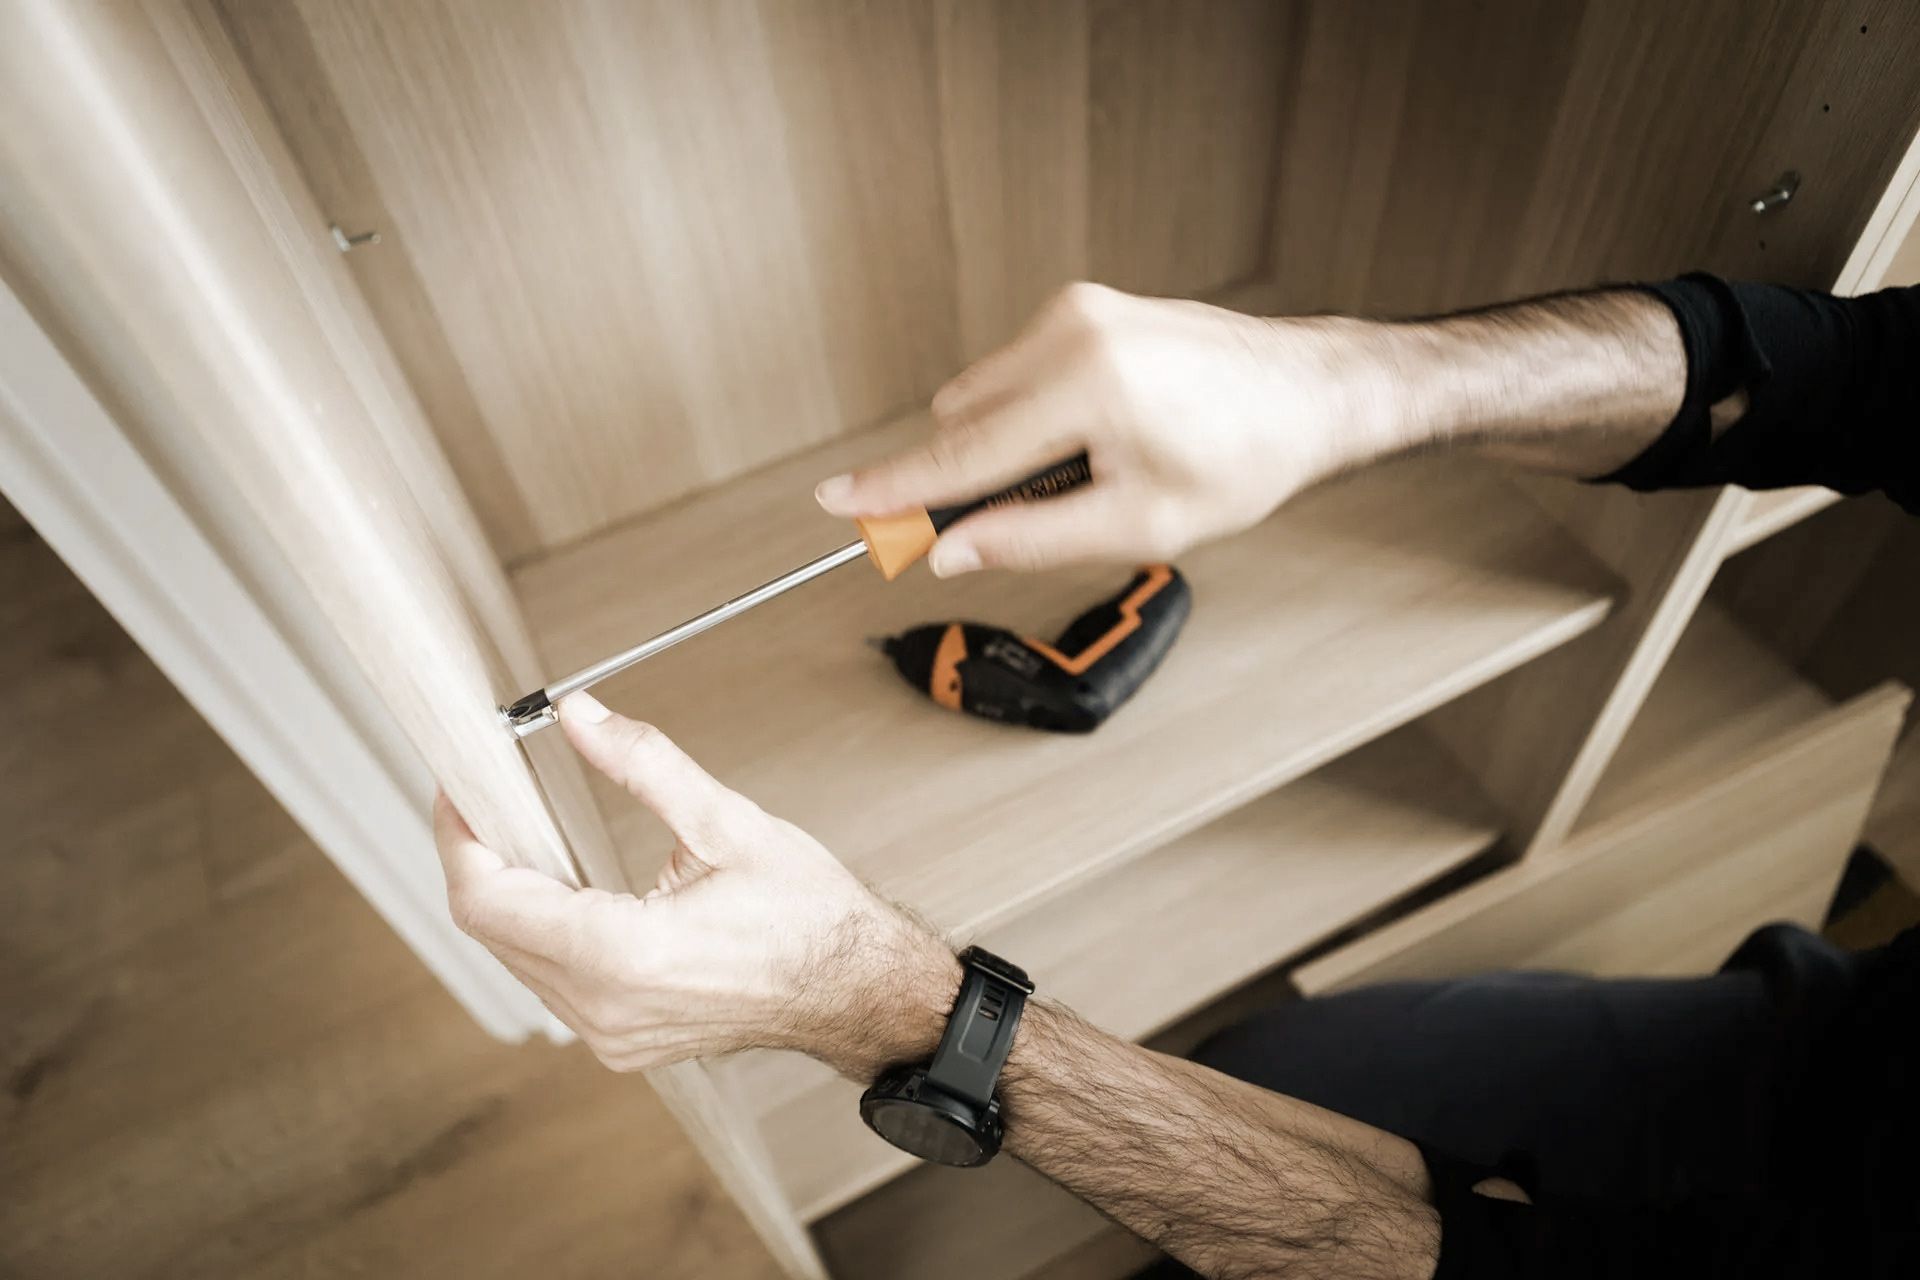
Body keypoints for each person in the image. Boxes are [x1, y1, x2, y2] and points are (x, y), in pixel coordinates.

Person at [435, 275, 1917, 1278]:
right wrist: (1354, 379)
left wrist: (887, 1003)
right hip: (1840, 1059)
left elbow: (1435, 1250)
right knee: (1284, 1070)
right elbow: (1838, 375)